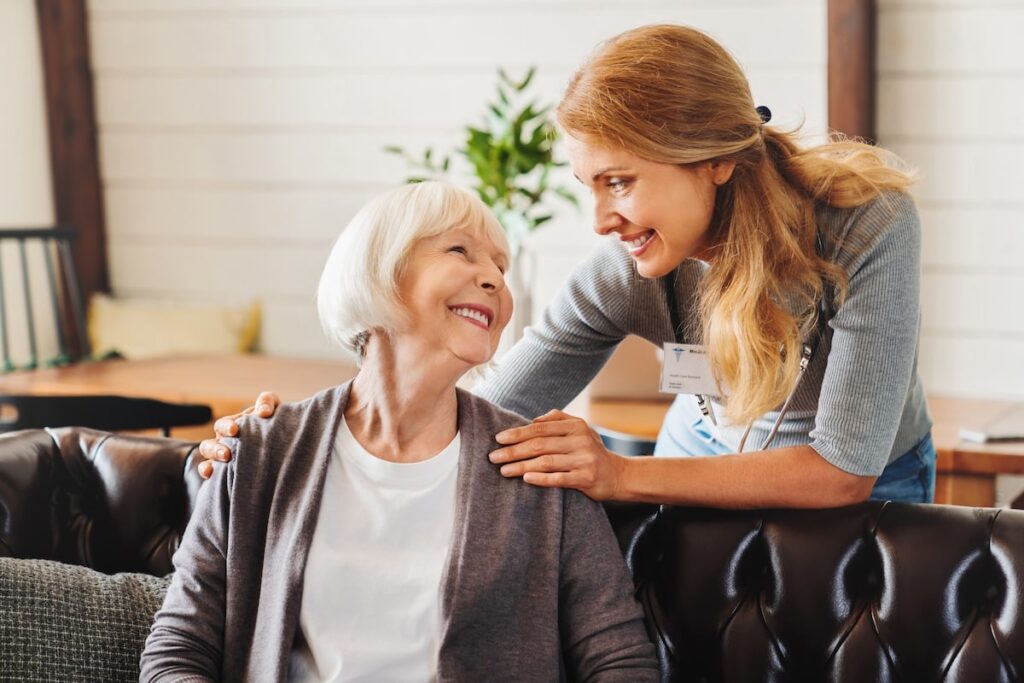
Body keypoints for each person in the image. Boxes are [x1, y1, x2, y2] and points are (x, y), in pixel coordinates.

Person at [198, 24, 934, 508]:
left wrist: (620, 472)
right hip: (704, 446)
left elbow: (842, 469)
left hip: (868, 478)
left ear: (711, 158)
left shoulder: (866, 225)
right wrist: (286, 438)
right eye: (590, 186)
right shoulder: (627, 272)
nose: (600, 220)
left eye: (620, 180)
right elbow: (485, 410)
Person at [140, 182, 658, 682]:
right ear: (380, 269)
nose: (495, 279)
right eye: (460, 250)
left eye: (501, 266)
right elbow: (178, 649)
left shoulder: (539, 466)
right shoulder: (260, 451)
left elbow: (621, 662)